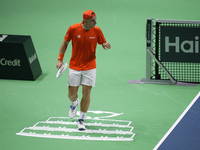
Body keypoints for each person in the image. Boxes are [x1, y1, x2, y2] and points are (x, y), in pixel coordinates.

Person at [56, 10, 111, 131]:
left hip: (90, 66)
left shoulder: (97, 30)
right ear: (85, 21)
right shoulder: (73, 29)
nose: (95, 22)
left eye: (95, 19)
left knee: (86, 93)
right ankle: (74, 103)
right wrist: (60, 59)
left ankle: (81, 119)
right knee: (71, 94)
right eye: (93, 20)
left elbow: (102, 42)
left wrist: (105, 45)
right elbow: (65, 43)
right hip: (75, 66)